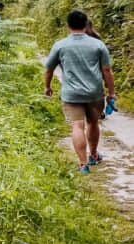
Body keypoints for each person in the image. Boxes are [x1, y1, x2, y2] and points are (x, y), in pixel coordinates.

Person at [44, 9, 116, 173]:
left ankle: (83, 164)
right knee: (93, 123)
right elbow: (107, 71)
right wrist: (111, 93)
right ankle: (94, 155)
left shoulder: (60, 45)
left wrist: (47, 87)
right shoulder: (98, 45)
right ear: (86, 25)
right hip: (94, 93)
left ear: (68, 25)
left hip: (71, 94)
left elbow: (48, 69)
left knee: (77, 126)